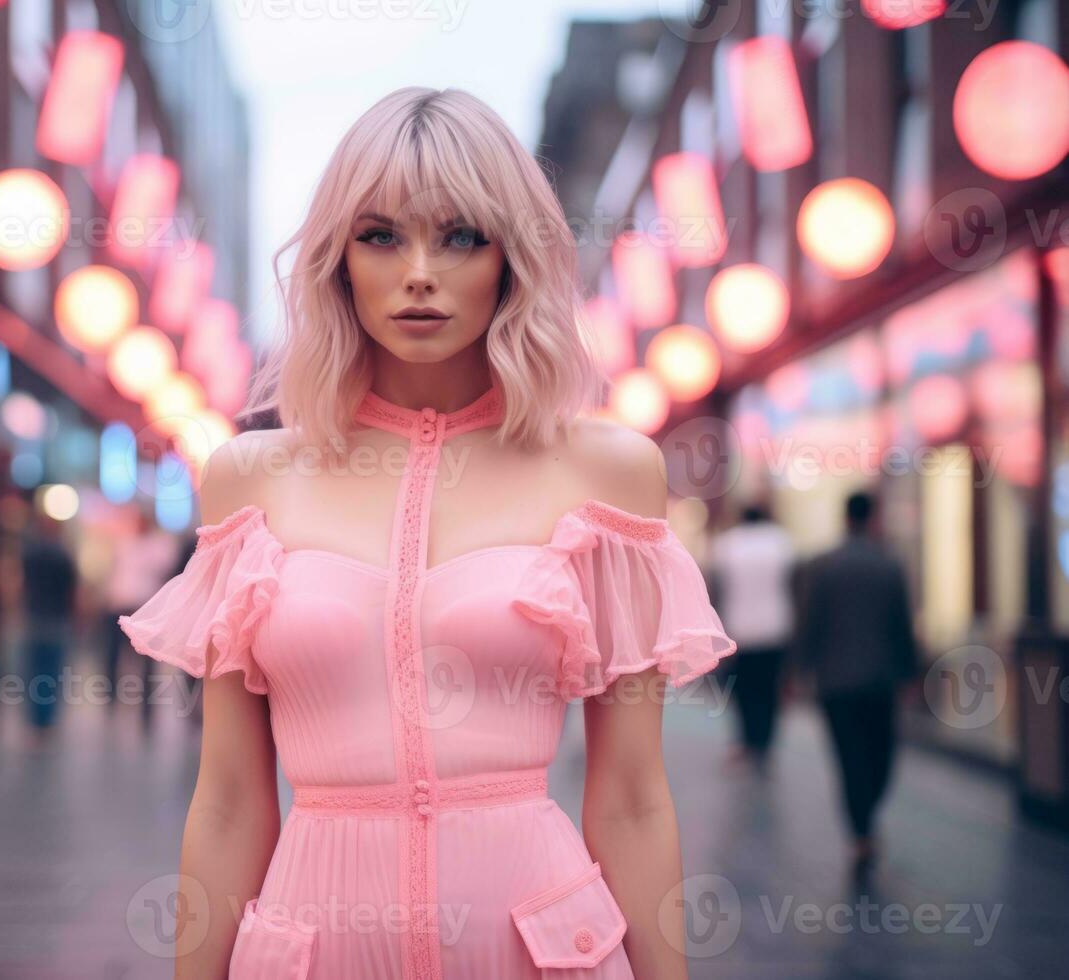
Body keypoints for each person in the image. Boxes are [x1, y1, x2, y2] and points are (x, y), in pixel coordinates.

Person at [119, 87, 738, 979]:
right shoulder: (251, 478)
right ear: (337, 260)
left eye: (459, 236)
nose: (419, 271)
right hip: (313, 951)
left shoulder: (606, 471)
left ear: (510, 259)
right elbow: (226, 800)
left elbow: (634, 797)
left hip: (540, 951)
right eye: (380, 235)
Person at [793, 490, 921, 879]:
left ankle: (861, 828)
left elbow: (809, 622)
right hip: (879, 680)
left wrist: (799, 669)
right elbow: (902, 625)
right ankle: (866, 821)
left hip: (835, 683)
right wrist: (910, 673)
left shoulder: (823, 567)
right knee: (881, 755)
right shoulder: (889, 564)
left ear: (845, 518)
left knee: (849, 758)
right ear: (874, 517)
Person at [710, 503, 796, 772]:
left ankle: (748, 740)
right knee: (769, 689)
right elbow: (793, 584)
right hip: (776, 627)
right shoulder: (782, 542)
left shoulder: (727, 545)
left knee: (743, 690)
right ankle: (765, 743)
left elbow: (718, 590)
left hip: (740, 629)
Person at [100, 507, 180, 722]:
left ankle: (147, 708)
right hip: (120, 605)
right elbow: (115, 571)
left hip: (144, 610)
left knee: (146, 662)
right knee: (113, 656)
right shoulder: (124, 543)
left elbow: (165, 570)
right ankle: (111, 700)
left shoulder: (160, 545)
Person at [18, 503, 78, 744]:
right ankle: (47, 721)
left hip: (34, 617)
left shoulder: (30, 553)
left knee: (33, 672)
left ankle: (35, 721)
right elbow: (73, 591)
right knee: (52, 674)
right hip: (57, 619)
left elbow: (21, 585)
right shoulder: (63, 555)